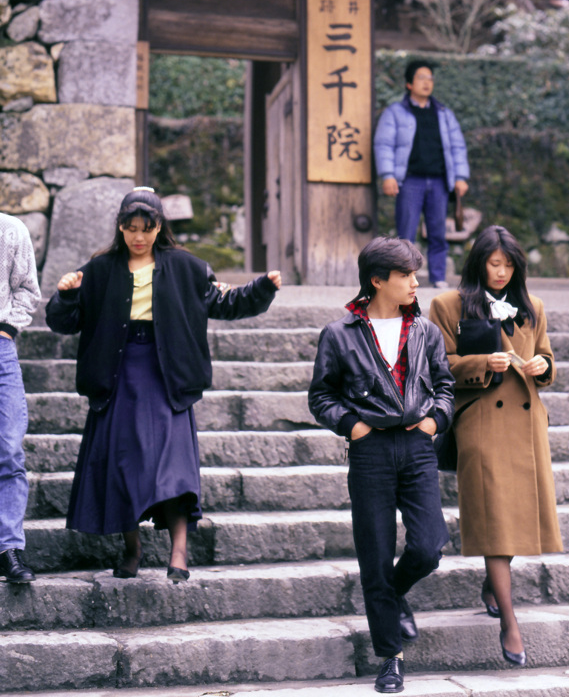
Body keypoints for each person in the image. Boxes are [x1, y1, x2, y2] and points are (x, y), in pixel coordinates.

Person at [45, 187, 281, 581]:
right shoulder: (100, 269)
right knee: (124, 466)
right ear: (120, 227)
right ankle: (132, 549)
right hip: (118, 375)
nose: (139, 236)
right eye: (130, 227)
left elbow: (225, 303)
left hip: (168, 376)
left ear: (159, 228)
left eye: (147, 228)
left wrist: (263, 288)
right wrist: (67, 296)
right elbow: (63, 322)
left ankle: (179, 553)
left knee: (174, 469)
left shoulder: (188, 267)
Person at [308, 237, 454, 694]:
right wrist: (351, 426)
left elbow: (445, 386)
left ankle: (391, 595)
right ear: (377, 281)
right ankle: (390, 658)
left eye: (415, 273)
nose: (416, 282)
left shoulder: (426, 331)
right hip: (370, 452)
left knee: (429, 547)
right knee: (374, 555)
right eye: (406, 275)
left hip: (416, 447)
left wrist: (434, 422)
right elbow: (321, 396)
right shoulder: (339, 334)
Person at [429, 225, 562, 668]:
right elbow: (438, 364)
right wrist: (482, 363)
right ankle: (510, 621)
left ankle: (492, 586)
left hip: (525, 425)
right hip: (481, 423)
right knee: (493, 522)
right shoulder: (448, 305)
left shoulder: (533, 305)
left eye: (508, 264)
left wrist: (543, 365)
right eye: (493, 263)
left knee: (511, 523)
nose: (501, 272)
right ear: (479, 262)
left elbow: (545, 357)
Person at [373, 59, 469, 288]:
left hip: (438, 181)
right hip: (409, 181)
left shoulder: (444, 113)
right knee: (406, 233)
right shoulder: (395, 113)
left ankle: (438, 277)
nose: (427, 83)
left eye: (430, 78)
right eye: (421, 78)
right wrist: (387, 174)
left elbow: (457, 146)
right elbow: (383, 144)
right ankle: (404, 277)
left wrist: (460, 177)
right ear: (409, 84)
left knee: (438, 232)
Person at [0, 214, 41, 584]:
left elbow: (28, 289)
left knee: (9, 447)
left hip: (0, 349)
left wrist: (7, 328)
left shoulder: (11, 230)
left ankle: (9, 547)